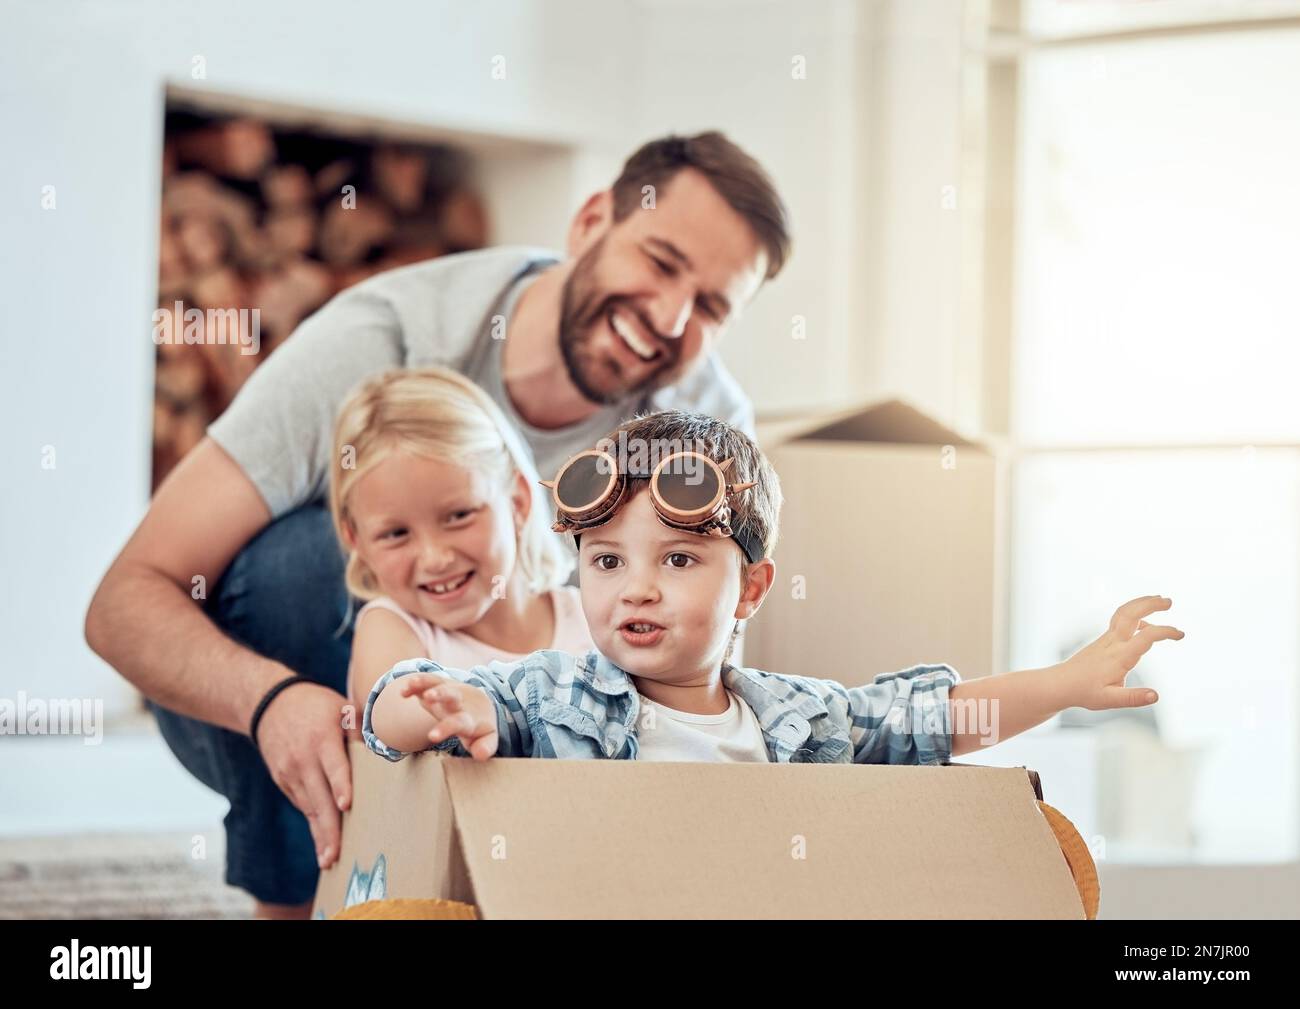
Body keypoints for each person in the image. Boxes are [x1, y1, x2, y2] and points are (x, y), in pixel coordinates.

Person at [84, 131, 791, 918]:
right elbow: (121, 603)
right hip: (297, 693)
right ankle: (301, 893)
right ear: (591, 221)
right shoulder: (381, 340)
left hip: (555, 756)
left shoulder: (706, 425)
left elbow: (702, 675)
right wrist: (274, 701)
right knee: (295, 567)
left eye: (711, 306)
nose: (668, 315)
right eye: (660, 263)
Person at [364, 410, 1185, 767]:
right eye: (608, 561)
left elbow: (938, 720)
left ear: (752, 589)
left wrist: (1067, 682)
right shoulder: (547, 696)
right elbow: (391, 712)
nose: (635, 590)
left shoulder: (802, 720)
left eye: (678, 561)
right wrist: (438, 709)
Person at [329, 367, 595, 729]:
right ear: (355, 540)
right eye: (395, 534)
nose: (435, 558)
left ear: (517, 502)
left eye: (458, 516)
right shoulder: (395, 627)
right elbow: (390, 710)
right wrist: (485, 711)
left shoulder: (591, 616)